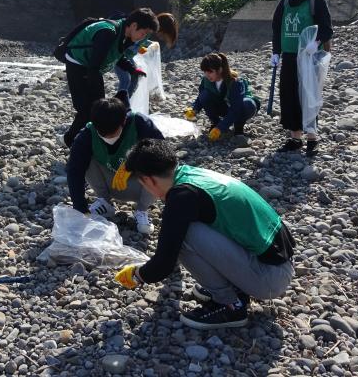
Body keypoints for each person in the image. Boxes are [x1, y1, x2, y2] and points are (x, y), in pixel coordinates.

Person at [113, 139, 295, 329]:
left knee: (185, 232)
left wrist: (137, 275)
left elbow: (164, 263)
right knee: (186, 226)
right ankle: (234, 288)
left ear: (148, 180)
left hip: (270, 278)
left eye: (143, 183)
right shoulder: (189, 175)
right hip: (279, 261)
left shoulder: (181, 198)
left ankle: (231, 304)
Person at [62, 8, 159, 147]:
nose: (142, 38)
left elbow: (116, 56)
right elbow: (94, 66)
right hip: (78, 63)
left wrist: (132, 70)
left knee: (97, 109)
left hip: (92, 67)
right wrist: (97, 97)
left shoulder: (125, 34)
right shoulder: (108, 32)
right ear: (134, 25)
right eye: (142, 33)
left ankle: (89, 139)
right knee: (87, 109)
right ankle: (70, 140)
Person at [66, 97, 164, 234]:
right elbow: (74, 171)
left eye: (113, 132)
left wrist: (132, 163)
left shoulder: (139, 123)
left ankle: (141, 211)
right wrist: (81, 209)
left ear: (123, 121)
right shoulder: (87, 135)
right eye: (102, 133)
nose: (108, 137)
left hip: (140, 185)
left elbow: (164, 154)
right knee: (82, 159)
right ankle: (104, 202)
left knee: (161, 167)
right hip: (109, 183)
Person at [270, 0, 333, 157]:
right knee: (289, 96)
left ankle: (312, 138)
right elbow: (277, 28)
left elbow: (326, 28)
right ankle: (295, 137)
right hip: (289, 56)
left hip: (309, 57)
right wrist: (276, 52)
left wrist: (316, 43)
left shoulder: (316, 0)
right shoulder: (285, 2)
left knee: (308, 95)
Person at [184, 53, 260, 142]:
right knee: (205, 95)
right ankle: (215, 123)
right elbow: (201, 97)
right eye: (205, 72)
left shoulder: (235, 82)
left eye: (210, 72)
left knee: (248, 104)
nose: (207, 75)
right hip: (223, 107)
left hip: (238, 108)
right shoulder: (206, 80)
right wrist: (194, 110)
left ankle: (238, 127)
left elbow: (236, 108)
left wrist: (221, 128)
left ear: (220, 69)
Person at [114, 12, 178, 97]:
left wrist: (149, 45)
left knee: (134, 78)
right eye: (162, 34)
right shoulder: (145, 30)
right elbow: (133, 45)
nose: (161, 37)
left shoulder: (147, 33)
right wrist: (143, 49)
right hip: (121, 56)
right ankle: (119, 104)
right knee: (125, 80)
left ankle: (126, 102)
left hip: (128, 56)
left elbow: (140, 44)